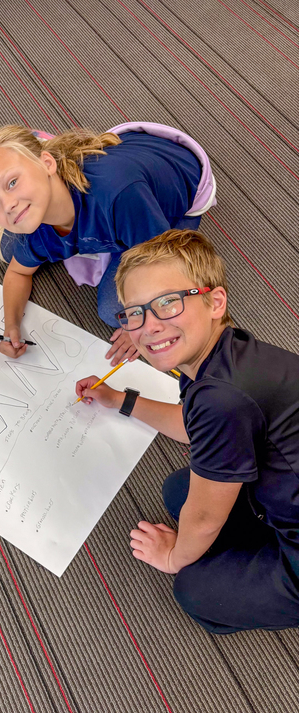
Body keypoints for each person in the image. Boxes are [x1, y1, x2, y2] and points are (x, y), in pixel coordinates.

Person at [75, 228, 299, 634]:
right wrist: (118, 400)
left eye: (167, 303)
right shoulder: (224, 354)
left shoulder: (221, 398)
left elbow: (205, 518)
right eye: (135, 313)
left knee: (195, 590)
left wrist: (172, 558)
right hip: (283, 485)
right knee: (179, 490)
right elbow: (191, 425)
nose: (149, 326)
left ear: (215, 302)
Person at [0, 122, 216, 366]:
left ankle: (51, 162)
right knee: (11, 249)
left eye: (12, 183)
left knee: (113, 311)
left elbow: (166, 266)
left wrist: (139, 325)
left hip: (176, 177)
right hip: (109, 190)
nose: (8, 204)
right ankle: (44, 155)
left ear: (47, 163)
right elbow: (18, 272)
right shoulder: (35, 229)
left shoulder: (120, 195)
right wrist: (11, 325)